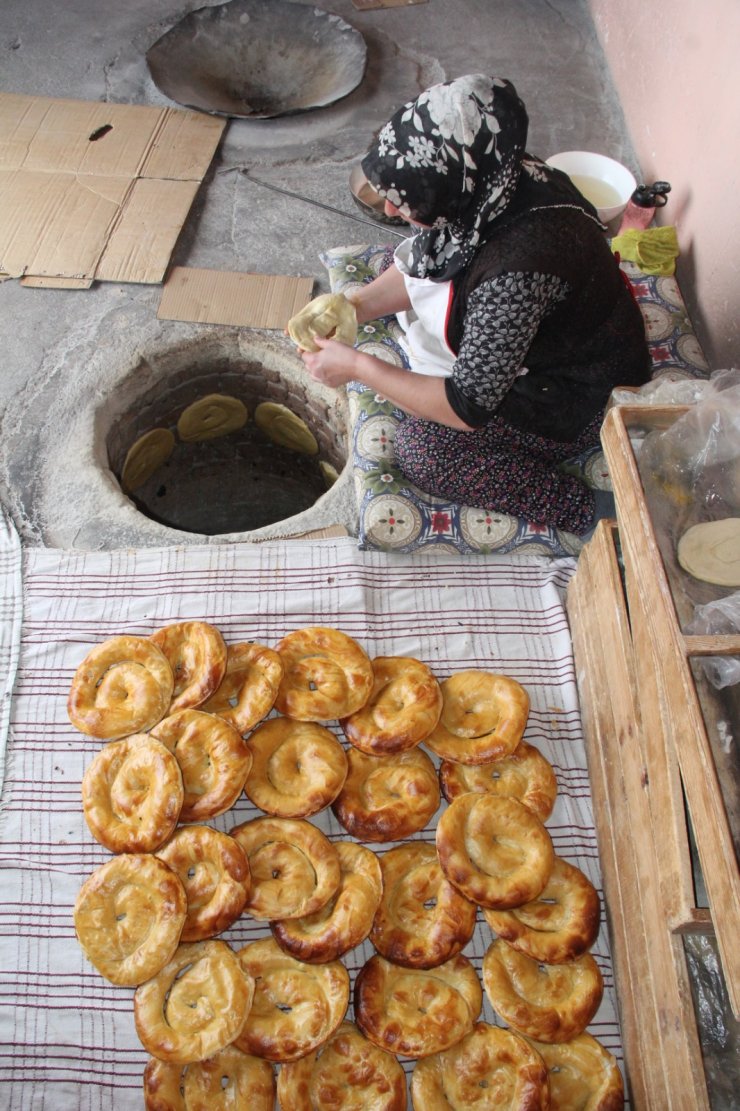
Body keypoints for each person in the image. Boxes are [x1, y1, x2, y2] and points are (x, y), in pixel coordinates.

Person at [299, 75, 651, 535]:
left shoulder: (517, 276)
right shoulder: (497, 175)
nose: (389, 211)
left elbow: (467, 406)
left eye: (404, 199)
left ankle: (592, 511)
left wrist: (359, 368)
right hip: (557, 323)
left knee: (427, 451)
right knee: (401, 258)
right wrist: (353, 306)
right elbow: (424, 260)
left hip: (573, 392)